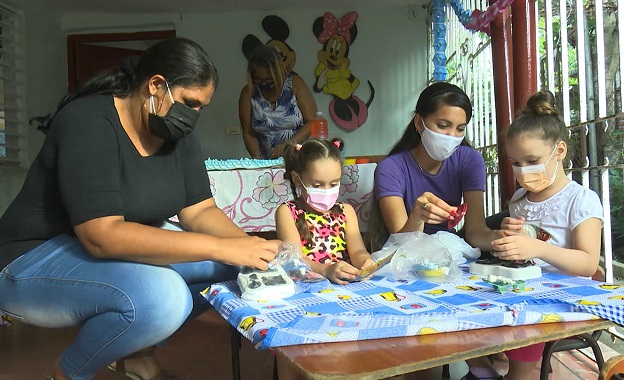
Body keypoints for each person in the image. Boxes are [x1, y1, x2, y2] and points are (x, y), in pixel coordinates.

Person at [0, 37, 280, 380]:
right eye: (190, 103)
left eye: (201, 108)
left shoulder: (178, 130)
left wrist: (254, 250)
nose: (193, 116)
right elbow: (102, 236)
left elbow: (200, 211)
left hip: (94, 250)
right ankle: (68, 372)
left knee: (230, 267)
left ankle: (137, 356)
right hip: (29, 261)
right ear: (156, 86)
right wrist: (226, 246)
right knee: (163, 297)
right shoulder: (87, 122)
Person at [490, 90, 603, 380]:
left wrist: (535, 249)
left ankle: (520, 373)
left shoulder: (581, 200)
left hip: (563, 297)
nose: (523, 171)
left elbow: (589, 264)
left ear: (559, 151)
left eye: (532, 160)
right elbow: (522, 248)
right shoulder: (519, 199)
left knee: (523, 330)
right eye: (516, 162)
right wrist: (510, 238)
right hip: (525, 289)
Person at [368, 82, 498, 253]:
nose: (452, 136)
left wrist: (503, 240)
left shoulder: (469, 160)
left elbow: (475, 231)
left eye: (460, 129)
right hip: (403, 258)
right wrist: (416, 217)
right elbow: (402, 245)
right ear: (419, 123)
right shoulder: (390, 168)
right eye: (443, 126)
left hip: (449, 253)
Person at [275, 138, 376, 285]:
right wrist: (326, 270)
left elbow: (357, 251)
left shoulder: (346, 211)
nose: (327, 191)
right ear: (297, 179)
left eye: (334, 184)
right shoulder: (287, 212)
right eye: (317, 185)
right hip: (308, 287)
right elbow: (295, 260)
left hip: (346, 287)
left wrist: (366, 261)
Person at [238, 45, 318, 159]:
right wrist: (258, 161)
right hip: (267, 160)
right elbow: (248, 133)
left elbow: (312, 122)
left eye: (268, 79)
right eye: (259, 80)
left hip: (300, 157)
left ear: (279, 72)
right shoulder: (248, 93)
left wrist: (288, 145)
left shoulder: (295, 83)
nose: (264, 83)